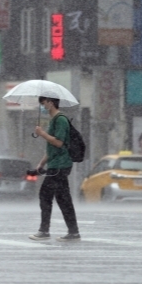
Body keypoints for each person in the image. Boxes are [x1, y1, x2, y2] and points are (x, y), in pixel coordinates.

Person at [28, 96, 80, 242]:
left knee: (46, 196)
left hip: (60, 165)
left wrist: (42, 133)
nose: (43, 107)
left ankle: (45, 231)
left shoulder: (60, 120)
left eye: (44, 104)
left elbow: (58, 143)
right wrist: (42, 163)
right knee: (63, 199)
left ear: (51, 103)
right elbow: (51, 148)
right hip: (56, 164)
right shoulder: (55, 120)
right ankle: (73, 232)